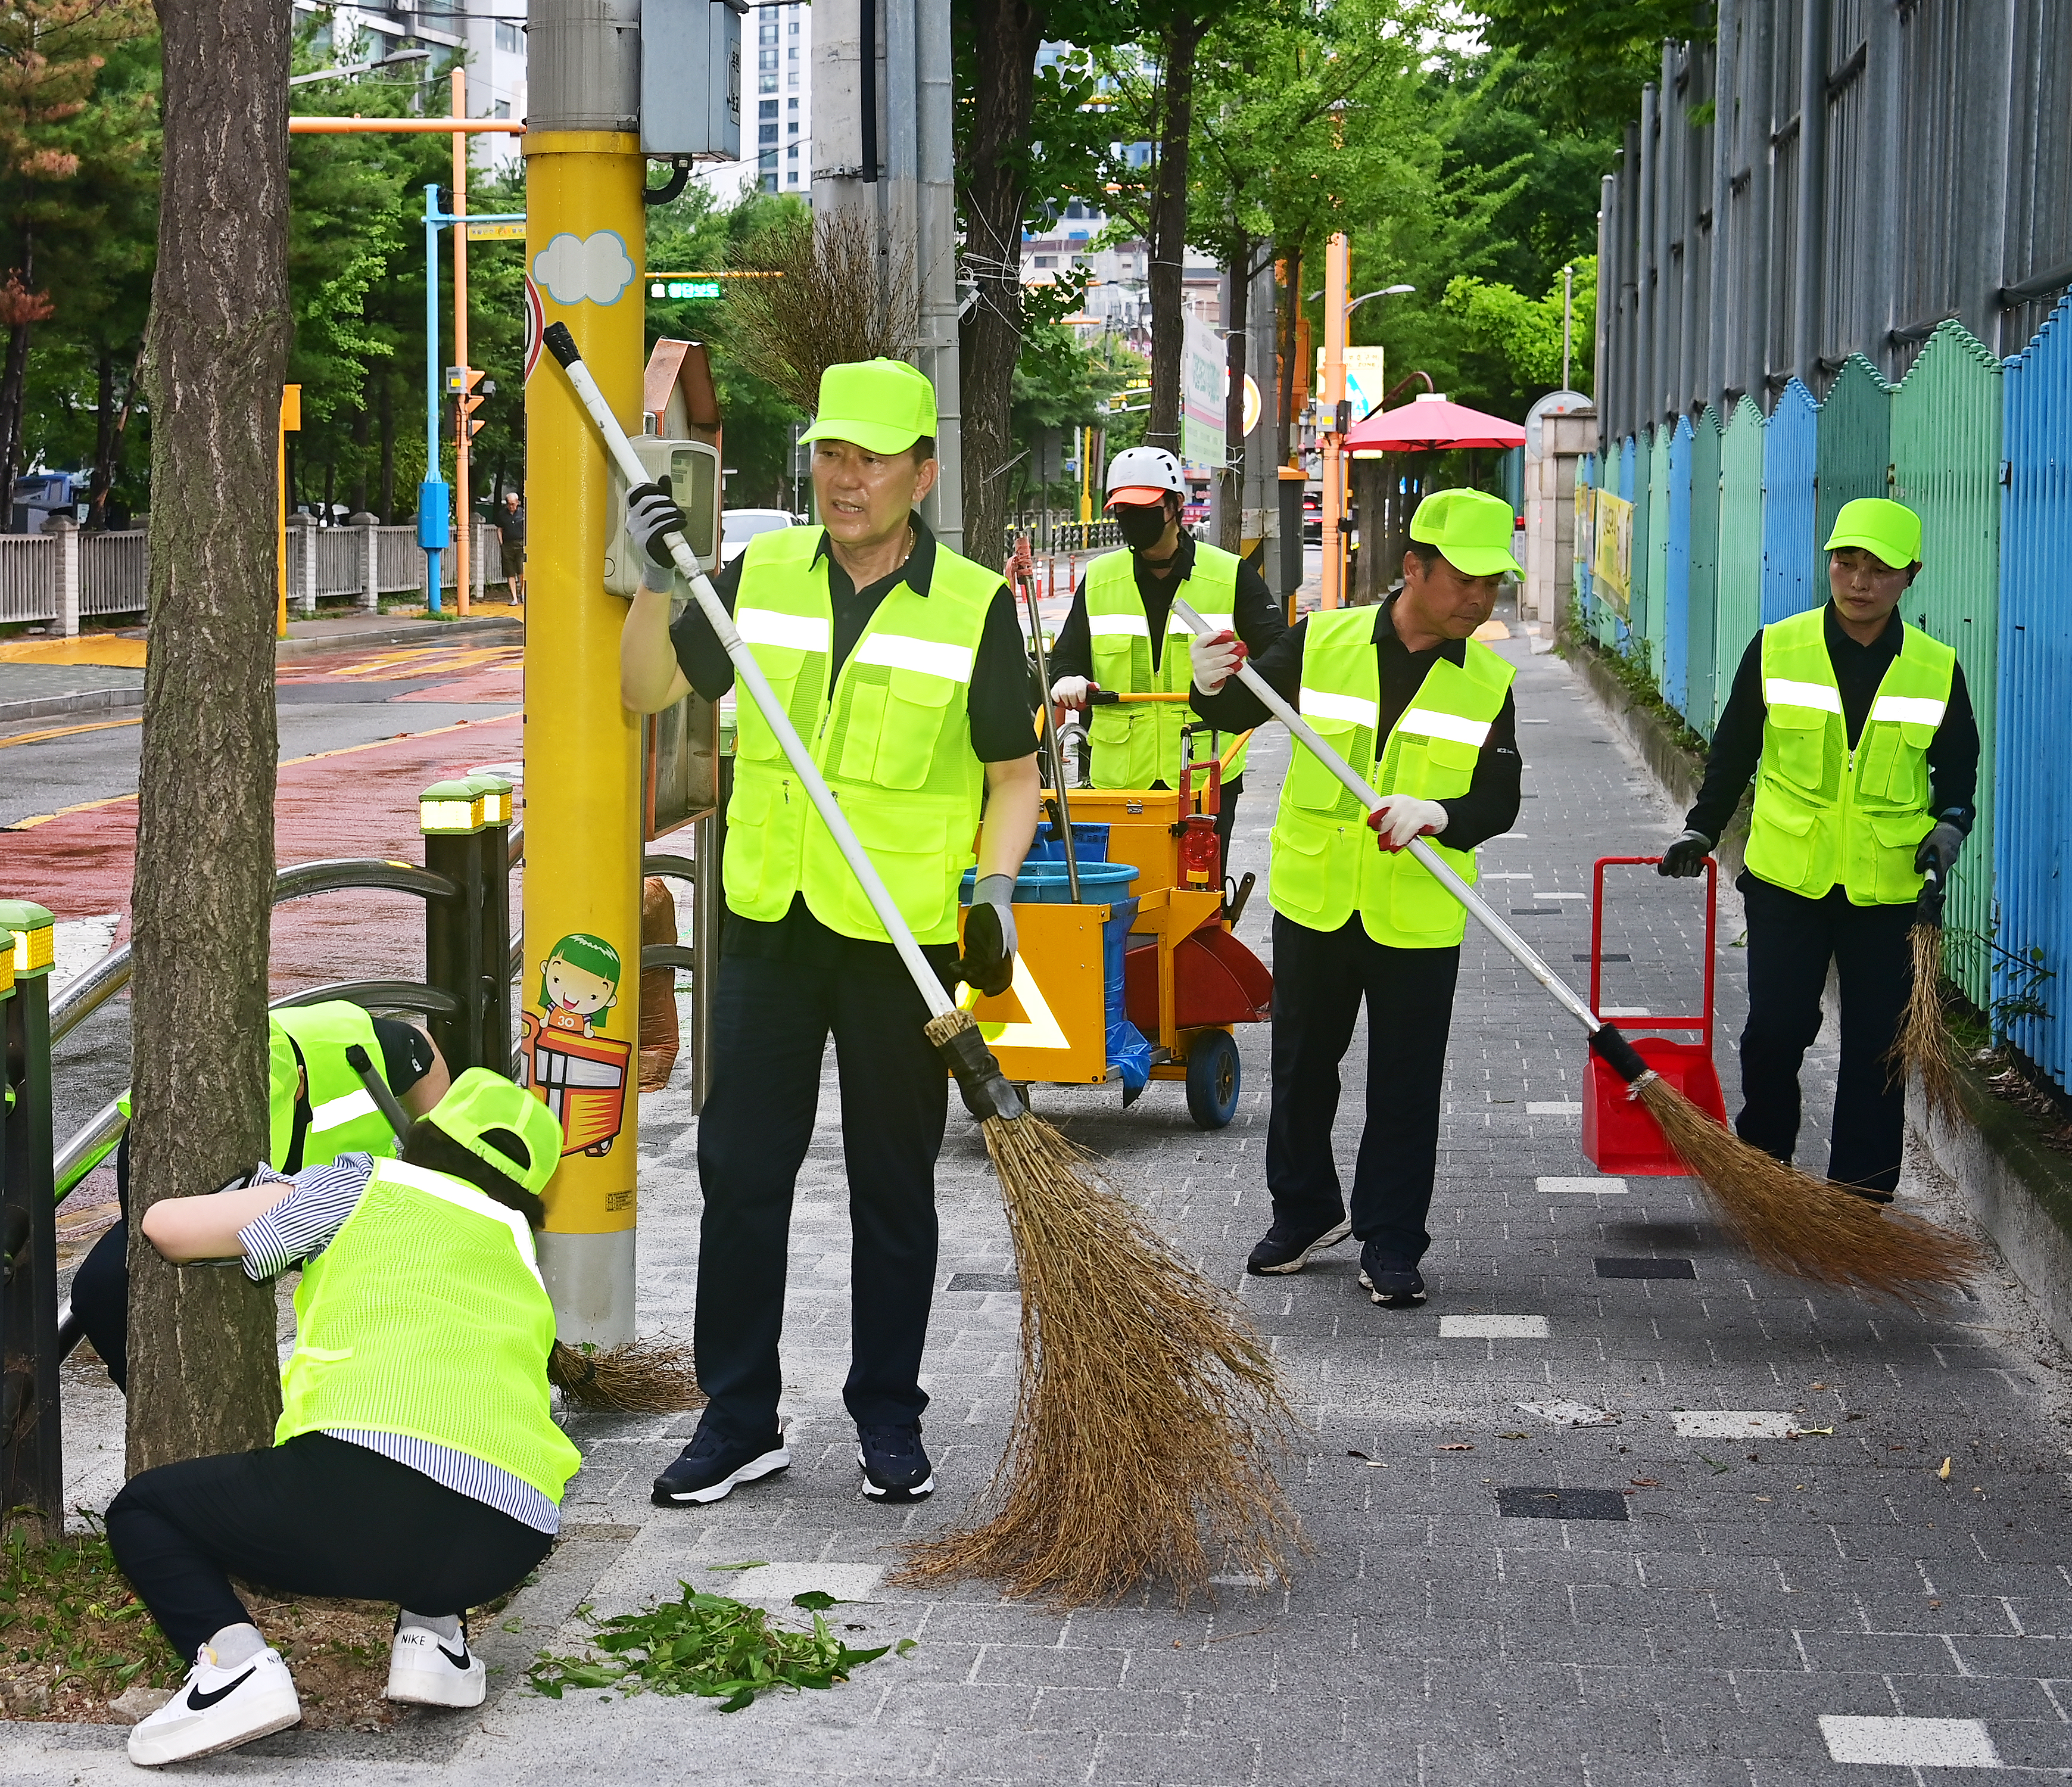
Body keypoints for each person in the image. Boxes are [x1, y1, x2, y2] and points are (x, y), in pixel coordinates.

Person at [616, 357, 1043, 1507]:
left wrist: (993, 892)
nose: (843, 478)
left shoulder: (974, 609)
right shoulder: (755, 577)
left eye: (869, 457)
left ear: (923, 470)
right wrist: (661, 579)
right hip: (765, 920)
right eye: (829, 454)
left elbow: (1015, 778)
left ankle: (889, 1416)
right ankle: (737, 1417)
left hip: (898, 939)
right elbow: (644, 689)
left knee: (892, 1185)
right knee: (740, 1172)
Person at [110, 1070, 576, 1766]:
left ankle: (233, 1669)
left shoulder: (369, 1183)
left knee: (144, 1510)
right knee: (448, 1451)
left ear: (422, 1136)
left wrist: (269, 1191)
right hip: (509, 1534)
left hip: (357, 1497)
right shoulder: (517, 1248)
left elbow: (167, 1230)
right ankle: (434, 1644)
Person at [1189, 487, 1526, 1305]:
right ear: (1414, 568)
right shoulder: (1325, 641)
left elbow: (1501, 798)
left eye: (1493, 584)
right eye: (1464, 580)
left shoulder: (1488, 681)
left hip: (1416, 906)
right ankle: (1302, 1213)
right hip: (1318, 896)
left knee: (1406, 1081)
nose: (1479, 600)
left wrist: (1440, 813)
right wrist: (1208, 682)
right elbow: (1241, 703)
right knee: (1304, 1067)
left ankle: (1393, 1241)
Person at [1657, 497, 1979, 1199]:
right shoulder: (1779, 647)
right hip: (1787, 879)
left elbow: (1958, 770)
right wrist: (1701, 828)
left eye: (1879, 568)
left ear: (1910, 576)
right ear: (1829, 565)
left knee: (1877, 1048)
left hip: (1887, 888)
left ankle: (1857, 1201)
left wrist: (1951, 825)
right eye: (1846, 562)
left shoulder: (1935, 667)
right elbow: (1734, 752)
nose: (1858, 581)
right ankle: (1764, 1170)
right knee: (1775, 1031)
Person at [66, 1001, 448, 1390]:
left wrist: (431, 1165)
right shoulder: (179, 1082)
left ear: (300, 1082)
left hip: (361, 1203)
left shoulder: (350, 1046)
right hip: (275, 1205)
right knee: (100, 1288)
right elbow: (149, 1222)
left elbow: (425, 1055)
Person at [1043, 444, 1283, 874]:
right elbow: (1065, 659)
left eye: (1145, 508)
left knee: (1196, 901)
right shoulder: (1099, 579)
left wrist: (1235, 691)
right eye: (1124, 510)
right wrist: (1067, 682)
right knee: (1124, 901)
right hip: (1120, 779)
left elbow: (1279, 657)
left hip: (1205, 775)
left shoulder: (1230, 575)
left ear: (1175, 506)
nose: (1133, 520)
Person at [498, 492, 525, 605]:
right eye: (509, 504)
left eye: (513, 504)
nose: (511, 506)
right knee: (510, 572)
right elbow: (500, 529)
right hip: (508, 545)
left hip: (520, 544)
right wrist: (502, 544)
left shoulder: (523, 513)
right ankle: (514, 598)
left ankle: (522, 592)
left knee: (522, 570)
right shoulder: (502, 514)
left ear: (517, 503)